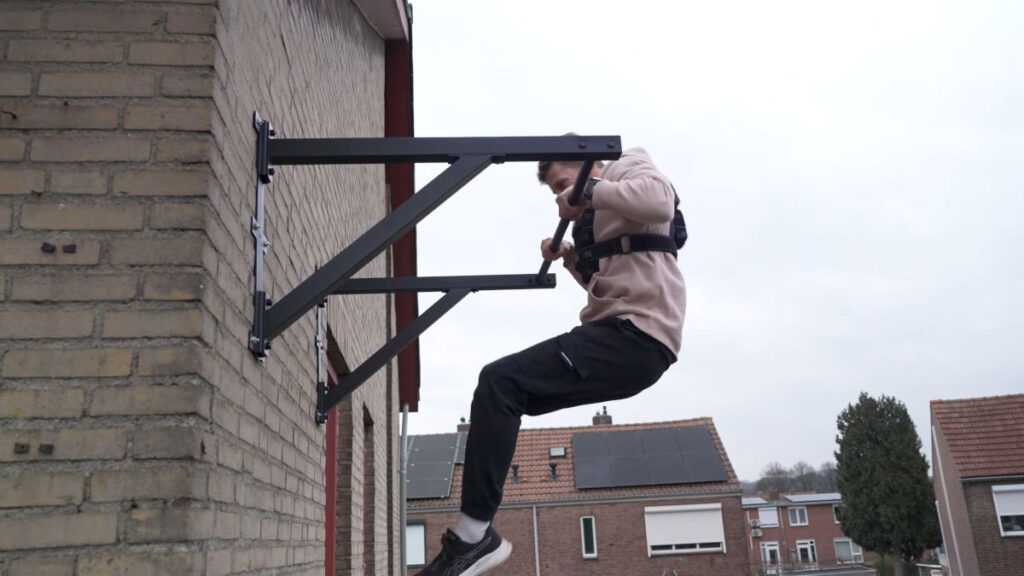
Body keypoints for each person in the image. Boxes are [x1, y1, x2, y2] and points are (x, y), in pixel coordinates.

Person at [415, 146, 686, 576]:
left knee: (499, 382)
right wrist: (572, 257)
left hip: (636, 334)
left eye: (564, 184)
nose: (563, 196)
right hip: (623, 342)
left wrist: (590, 191)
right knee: (505, 391)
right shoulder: (596, 222)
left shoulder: (628, 165)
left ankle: (474, 537)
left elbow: (659, 201)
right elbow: (602, 284)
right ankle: (473, 536)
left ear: (591, 168)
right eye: (556, 190)